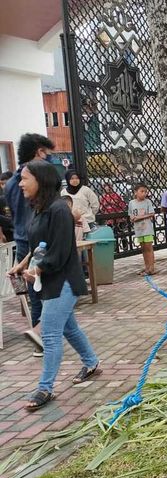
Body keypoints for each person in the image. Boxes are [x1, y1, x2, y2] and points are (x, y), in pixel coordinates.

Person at [7, 160, 100, 410]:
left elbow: (59, 252)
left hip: (65, 280)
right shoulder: (40, 209)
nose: (21, 183)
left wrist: (37, 269)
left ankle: (45, 388)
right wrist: (22, 264)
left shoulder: (59, 210)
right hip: (50, 281)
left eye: (25, 178)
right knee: (69, 328)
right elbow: (40, 246)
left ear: (41, 180)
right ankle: (91, 362)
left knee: (49, 333)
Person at [4, 133, 54, 355]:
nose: (49, 159)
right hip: (38, 243)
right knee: (52, 291)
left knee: (38, 293)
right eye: (47, 154)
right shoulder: (36, 181)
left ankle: (42, 334)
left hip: (23, 242)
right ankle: (42, 335)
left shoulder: (11, 183)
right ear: (38, 152)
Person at [129, 183, 156, 275]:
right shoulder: (131, 203)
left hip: (147, 229)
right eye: (142, 191)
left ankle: (151, 268)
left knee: (149, 248)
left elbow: (152, 213)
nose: (144, 193)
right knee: (143, 248)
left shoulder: (147, 202)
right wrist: (132, 218)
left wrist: (140, 217)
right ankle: (147, 267)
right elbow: (130, 215)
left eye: (145, 192)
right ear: (135, 192)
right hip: (138, 229)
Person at [0, 171, 14, 243]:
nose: (4, 186)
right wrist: (1, 236)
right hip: (8, 234)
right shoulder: (1, 200)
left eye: (6, 183)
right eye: (2, 184)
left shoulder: (18, 198)